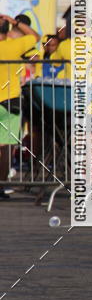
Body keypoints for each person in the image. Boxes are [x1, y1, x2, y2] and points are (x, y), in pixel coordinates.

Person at [0, 13, 39, 197]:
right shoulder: (14, 46)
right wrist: (14, 21)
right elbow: (35, 36)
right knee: (7, 147)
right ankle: (1, 185)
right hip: (10, 102)